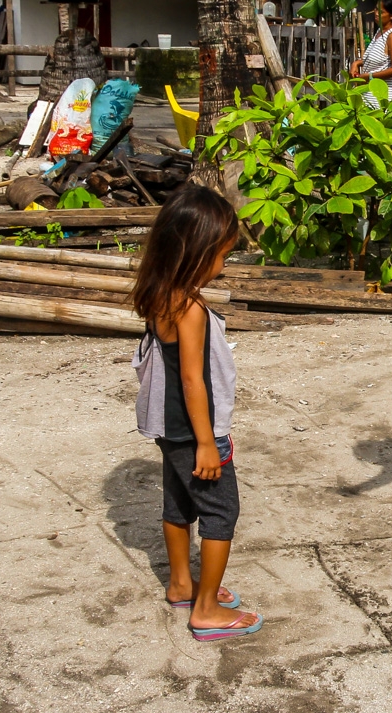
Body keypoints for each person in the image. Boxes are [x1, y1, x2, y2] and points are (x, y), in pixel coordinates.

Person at [130, 185, 263, 641]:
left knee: (178, 503)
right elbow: (193, 380)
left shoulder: (159, 293)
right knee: (221, 512)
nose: (223, 265)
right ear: (196, 252)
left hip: (167, 428)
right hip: (194, 430)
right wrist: (209, 441)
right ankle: (206, 610)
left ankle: (182, 583)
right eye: (221, 255)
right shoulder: (190, 309)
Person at [350, 0, 392, 109]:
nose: (376, 13)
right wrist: (357, 63)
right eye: (375, 9)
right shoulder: (380, 31)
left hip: (381, 100)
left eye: (381, 12)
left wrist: (370, 76)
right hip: (369, 98)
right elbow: (380, 58)